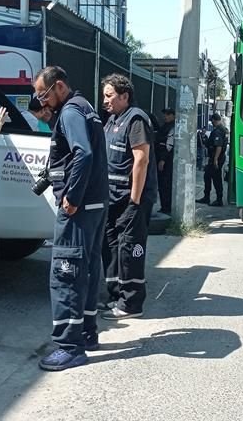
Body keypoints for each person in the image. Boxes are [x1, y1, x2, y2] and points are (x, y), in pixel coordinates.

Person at [34, 66, 108, 371]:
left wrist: (72, 196)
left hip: (80, 208)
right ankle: (87, 332)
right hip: (95, 205)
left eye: (43, 94)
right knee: (87, 269)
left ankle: (69, 345)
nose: (41, 101)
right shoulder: (84, 108)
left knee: (66, 274)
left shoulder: (71, 113)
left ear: (59, 87)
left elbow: (84, 154)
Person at [100, 74, 157, 320]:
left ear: (124, 96)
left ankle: (131, 303)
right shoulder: (113, 120)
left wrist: (135, 202)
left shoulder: (135, 120)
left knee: (129, 249)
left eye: (109, 95)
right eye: (104, 95)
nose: (105, 101)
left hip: (130, 201)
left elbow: (141, 160)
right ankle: (115, 296)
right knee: (111, 248)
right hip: (112, 199)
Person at [197, 113, 228, 206]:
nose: (212, 123)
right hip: (218, 157)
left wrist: (215, 159)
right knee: (207, 176)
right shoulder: (224, 129)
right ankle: (207, 197)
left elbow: (218, 146)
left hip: (216, 157)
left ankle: (218, 200)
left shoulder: (218, 131)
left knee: (216, 179)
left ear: (214, 120)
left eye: (212, 121)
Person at [155, 108, 176, 214]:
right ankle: (165, 207)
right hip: (161, 158)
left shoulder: (172, 127)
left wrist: (162, 160)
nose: (165, 116)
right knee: (162, 184)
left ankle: (166, 208)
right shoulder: (165, 126)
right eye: (165, 114)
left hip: (166, 161)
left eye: (168, 114)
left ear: (173, 115)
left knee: (165, 184)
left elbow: (169, 145)